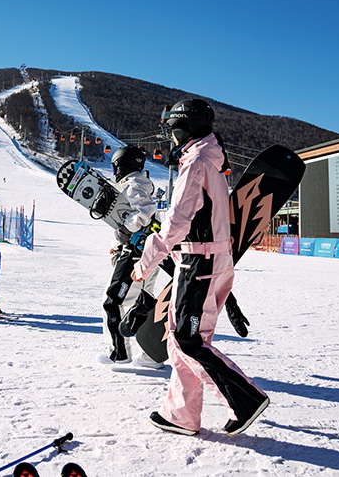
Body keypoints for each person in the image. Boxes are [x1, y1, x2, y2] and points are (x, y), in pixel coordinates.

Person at [131, 98, 269, 437]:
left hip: (200, 262)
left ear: (184, 128)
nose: (171, 137)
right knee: (185, 340)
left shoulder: (196, 163)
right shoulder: (211, 160)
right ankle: (180, 414)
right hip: (208, 259)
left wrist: (146, 263)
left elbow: (178, 221)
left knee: (188, 339)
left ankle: (245, 399)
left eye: (173, 129)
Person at [100, 145, 159, 364]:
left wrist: (125, 230)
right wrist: (117, 242)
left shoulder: (133, 185)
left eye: (116, 167)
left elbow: (144, 213)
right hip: (147, 253)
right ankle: (152, 355)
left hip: (134, 255)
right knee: (143, 303)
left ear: (122, 166)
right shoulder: (139, 184)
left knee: (112, 302)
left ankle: (118, 354)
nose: (115, 172)